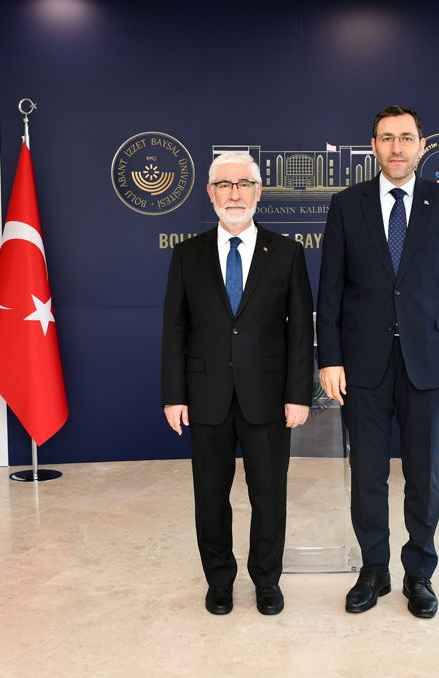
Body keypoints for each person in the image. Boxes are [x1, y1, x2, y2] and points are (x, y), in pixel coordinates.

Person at [317, 105, 439, 618]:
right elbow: (330, 289)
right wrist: (329, 359)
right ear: (373, 146)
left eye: (406, 138)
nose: (397, 147)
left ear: (421, 146)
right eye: (387, 138)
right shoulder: (347, 204)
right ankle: (374, 569)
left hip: (429, 363)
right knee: (367, 474)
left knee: (422, 476)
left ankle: (419, 573)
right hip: (362, 364)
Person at [161, 151, 313, 616]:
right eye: (225, 185)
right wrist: (173, 396)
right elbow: (175, 330)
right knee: (210, 498)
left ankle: (267, 581)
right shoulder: (187, 255)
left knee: (269, 497)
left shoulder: (286, 252)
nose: (234, 194)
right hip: (205, 397)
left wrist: (298, 394)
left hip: (267, 398)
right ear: (210, 193)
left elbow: (299, 332)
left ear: (258, 192)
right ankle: (219, 581)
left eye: (243, 184)